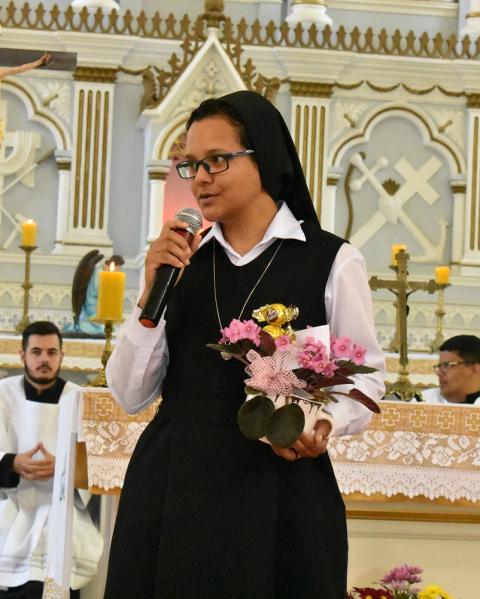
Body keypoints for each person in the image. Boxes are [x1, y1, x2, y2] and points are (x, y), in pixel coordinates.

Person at [104, 90, 386, 599]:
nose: (201, 177)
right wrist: (150, 294)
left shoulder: (331, 260)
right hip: (177, 480)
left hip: (279, 482)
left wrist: (323, 420)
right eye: (191, 164)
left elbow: (365, 378)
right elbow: (129, 394)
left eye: (217, 160)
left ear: (266, 157)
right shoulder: (178, 261)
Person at [0, 321, 103, 598]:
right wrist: (11, 463)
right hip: (13, 505)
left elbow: (98, 463)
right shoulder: (2, 394)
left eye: (51, 352)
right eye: (36, 352)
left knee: (57, 569)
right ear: (22, 356)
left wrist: (64, 467)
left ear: (61, 356)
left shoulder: (79, 398)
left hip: (64, 510)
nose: (44, 359)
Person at [64, 253, 125, 337]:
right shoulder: (99, 272)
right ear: (113, 265)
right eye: (118, 268)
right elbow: (98, 289)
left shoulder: (103, 272)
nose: (118, 271)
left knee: (104, 325)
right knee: (99, 324)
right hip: (93, 304)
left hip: (98, 303)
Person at [423, 335, 480, 405]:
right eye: (439, 366)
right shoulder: (424, 401)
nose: (439, 373)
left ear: (474, 369)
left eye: (447, 365)